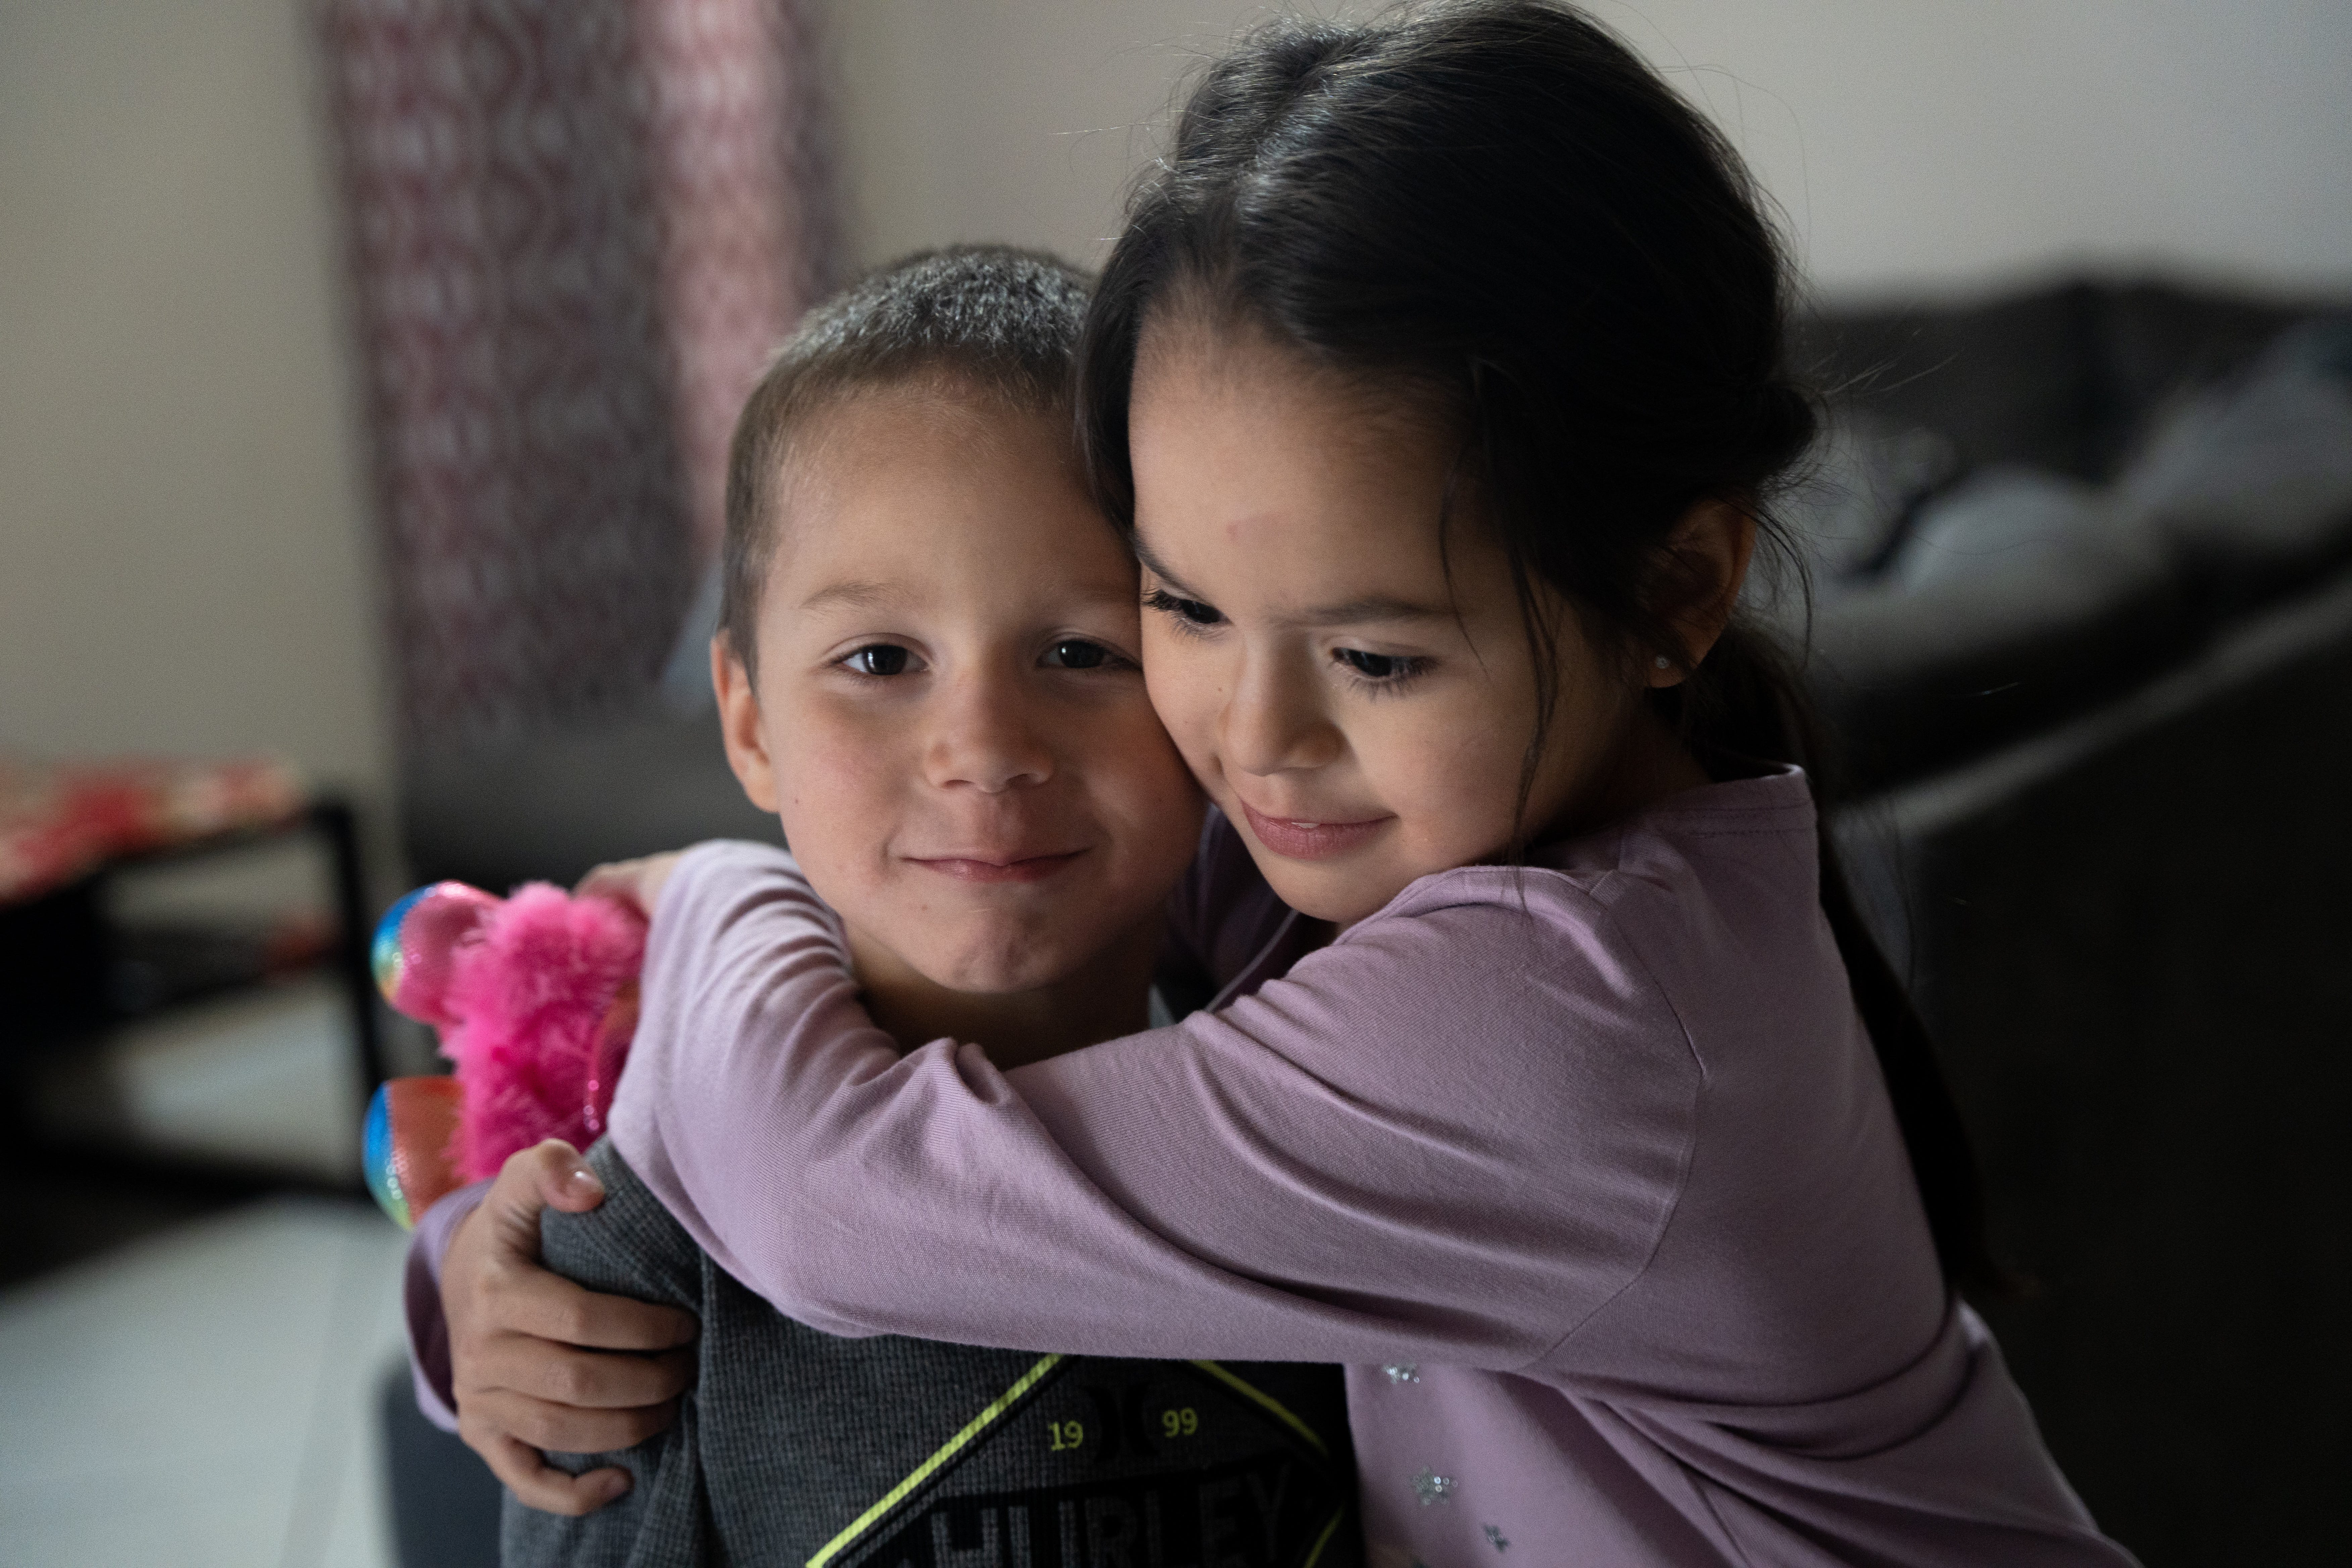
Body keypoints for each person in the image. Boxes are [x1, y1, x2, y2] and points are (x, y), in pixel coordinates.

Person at [432, 4, 2145, 1563]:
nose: (1250, 738)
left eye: (1378, 653)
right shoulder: (1405, 842)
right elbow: (977, 914)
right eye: (1178, 605)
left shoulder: (1570, 1017)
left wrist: (735, 883)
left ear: (1676, 592)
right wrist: (465, 1290)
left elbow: (825, 1193)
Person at [411, 246, 1362, 1567]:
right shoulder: (637, 1244)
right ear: (746, 718)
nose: (983, 745)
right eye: (879, 659)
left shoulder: (1335, 1116)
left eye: (1085, 652)